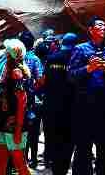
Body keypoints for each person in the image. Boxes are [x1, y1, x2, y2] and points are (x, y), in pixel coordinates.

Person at [69, 16, 105, 175]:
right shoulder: (80, 49)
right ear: (90, 30)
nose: (103, 28)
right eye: (100, 25)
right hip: (85, 106)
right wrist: (88, 68)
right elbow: (71, 76)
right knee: (83, 148)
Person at [0, 38, 32, 175]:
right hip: (4, 122)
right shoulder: (7, 70)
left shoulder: (16, 73)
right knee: (1, 162)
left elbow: (22, 102)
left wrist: (18, 130)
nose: (5, 53)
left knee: (19, 164)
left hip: (14, 125)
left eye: (7, 52)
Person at [44, 32, 79, 175]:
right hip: (71, 107)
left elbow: (45, 80)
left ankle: (56, 169)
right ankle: (63, 168)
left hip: (52, 106)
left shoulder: (52, 58)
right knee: (68, 142)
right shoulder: (77, 58)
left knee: (54, 140)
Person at [18, 30, 45, 168]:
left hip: (15, 100)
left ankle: (20, 159)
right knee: (33, 131)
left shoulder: (14, 58)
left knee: (19, 129)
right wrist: (33, 88)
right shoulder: (35, 59)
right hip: (30, 100)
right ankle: (33, 159)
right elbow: (40, 80)